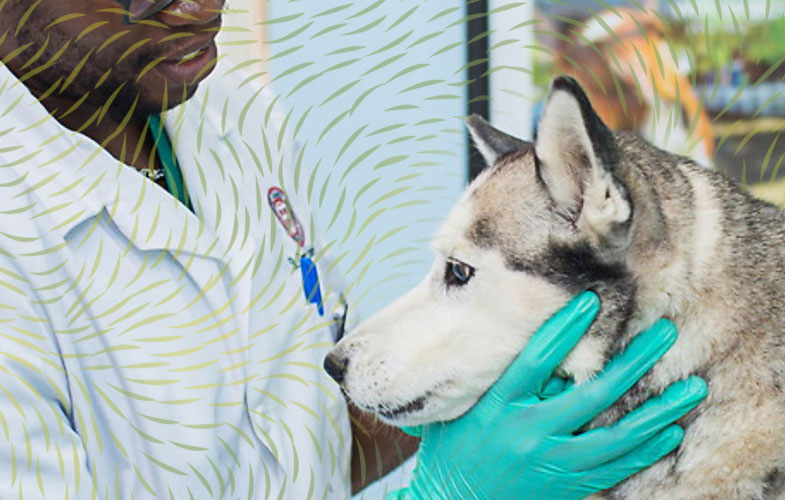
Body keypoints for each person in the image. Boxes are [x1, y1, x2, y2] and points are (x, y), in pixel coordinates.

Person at [0, 1, 708, 499]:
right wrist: (445, 492)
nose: (201, 6)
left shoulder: (234, 119)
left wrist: (484, 376)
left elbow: (307, 431)